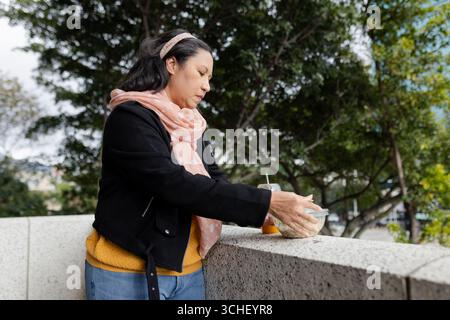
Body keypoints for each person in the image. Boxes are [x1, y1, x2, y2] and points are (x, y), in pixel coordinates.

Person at [84, 28, 322, 300]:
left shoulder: (191, 126)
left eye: (209, 77)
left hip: (189, 274)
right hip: (123, 275)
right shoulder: (130, 118)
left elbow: (214, 185)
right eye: (201, 72)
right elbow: (172, 183)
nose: (207, 85)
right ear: (172, 64)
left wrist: (267, 213)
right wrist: (265, 201)